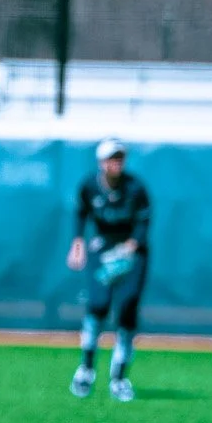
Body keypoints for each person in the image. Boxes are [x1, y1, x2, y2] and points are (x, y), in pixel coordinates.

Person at [67, 137, 150, 402]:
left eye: (120, 157)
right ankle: (86, 369)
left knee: (126, 310)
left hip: (130, 254)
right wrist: (78, 242)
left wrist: (132, 244)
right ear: (101, 162)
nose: (117, 162)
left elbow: (143, 221)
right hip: (102, 249)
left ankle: (119, 377)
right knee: (98, 305)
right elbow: (81, 213)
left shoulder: (135, 188)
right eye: (112, 158)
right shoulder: (90, 186)